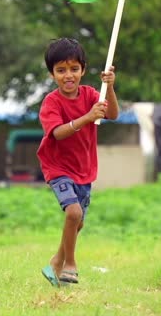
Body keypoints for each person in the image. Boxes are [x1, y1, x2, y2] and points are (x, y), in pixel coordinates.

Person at [37, 37, 119, 287]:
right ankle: (69, 265)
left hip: (84, 168)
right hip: (57, 167)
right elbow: (59, 133)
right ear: (52, 74)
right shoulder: (51, 102)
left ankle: (55, 262)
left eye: (74, 69)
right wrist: (86, 117)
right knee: (73, 212)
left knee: (78, 222)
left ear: (83, 70)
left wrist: (110, 87)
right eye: (61, 70)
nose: (68, 75)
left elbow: (113, 114)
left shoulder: (92, 94)